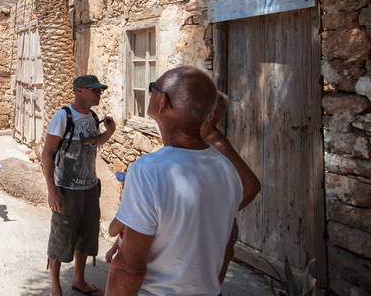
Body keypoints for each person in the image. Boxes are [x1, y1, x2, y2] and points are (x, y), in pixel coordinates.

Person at [105, 66, 243, 296]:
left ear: (163, 103)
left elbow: (129, 269)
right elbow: (226, 250)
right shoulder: (227, 170)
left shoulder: (149, 171)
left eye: (153, 89)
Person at [41, 75, 116, 296]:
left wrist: (109, 133)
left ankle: (79, 280)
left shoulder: (93, 117)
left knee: (86, 235)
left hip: (90, 188)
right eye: (94, 89)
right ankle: (55, 287)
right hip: (67, 189)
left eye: (99, 90)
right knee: (61, 237)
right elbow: (47, 152)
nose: (98, 93)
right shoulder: (63, 117)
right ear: (79, 91)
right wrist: (52, 191)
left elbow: (93, 144)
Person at [200, 91, 262, 285]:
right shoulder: (201, 141)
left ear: (210, 116)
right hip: (206, 228)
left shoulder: (217, 143)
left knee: (209, 286)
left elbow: (251, 185)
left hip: (219, 230)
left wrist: (222, 214)